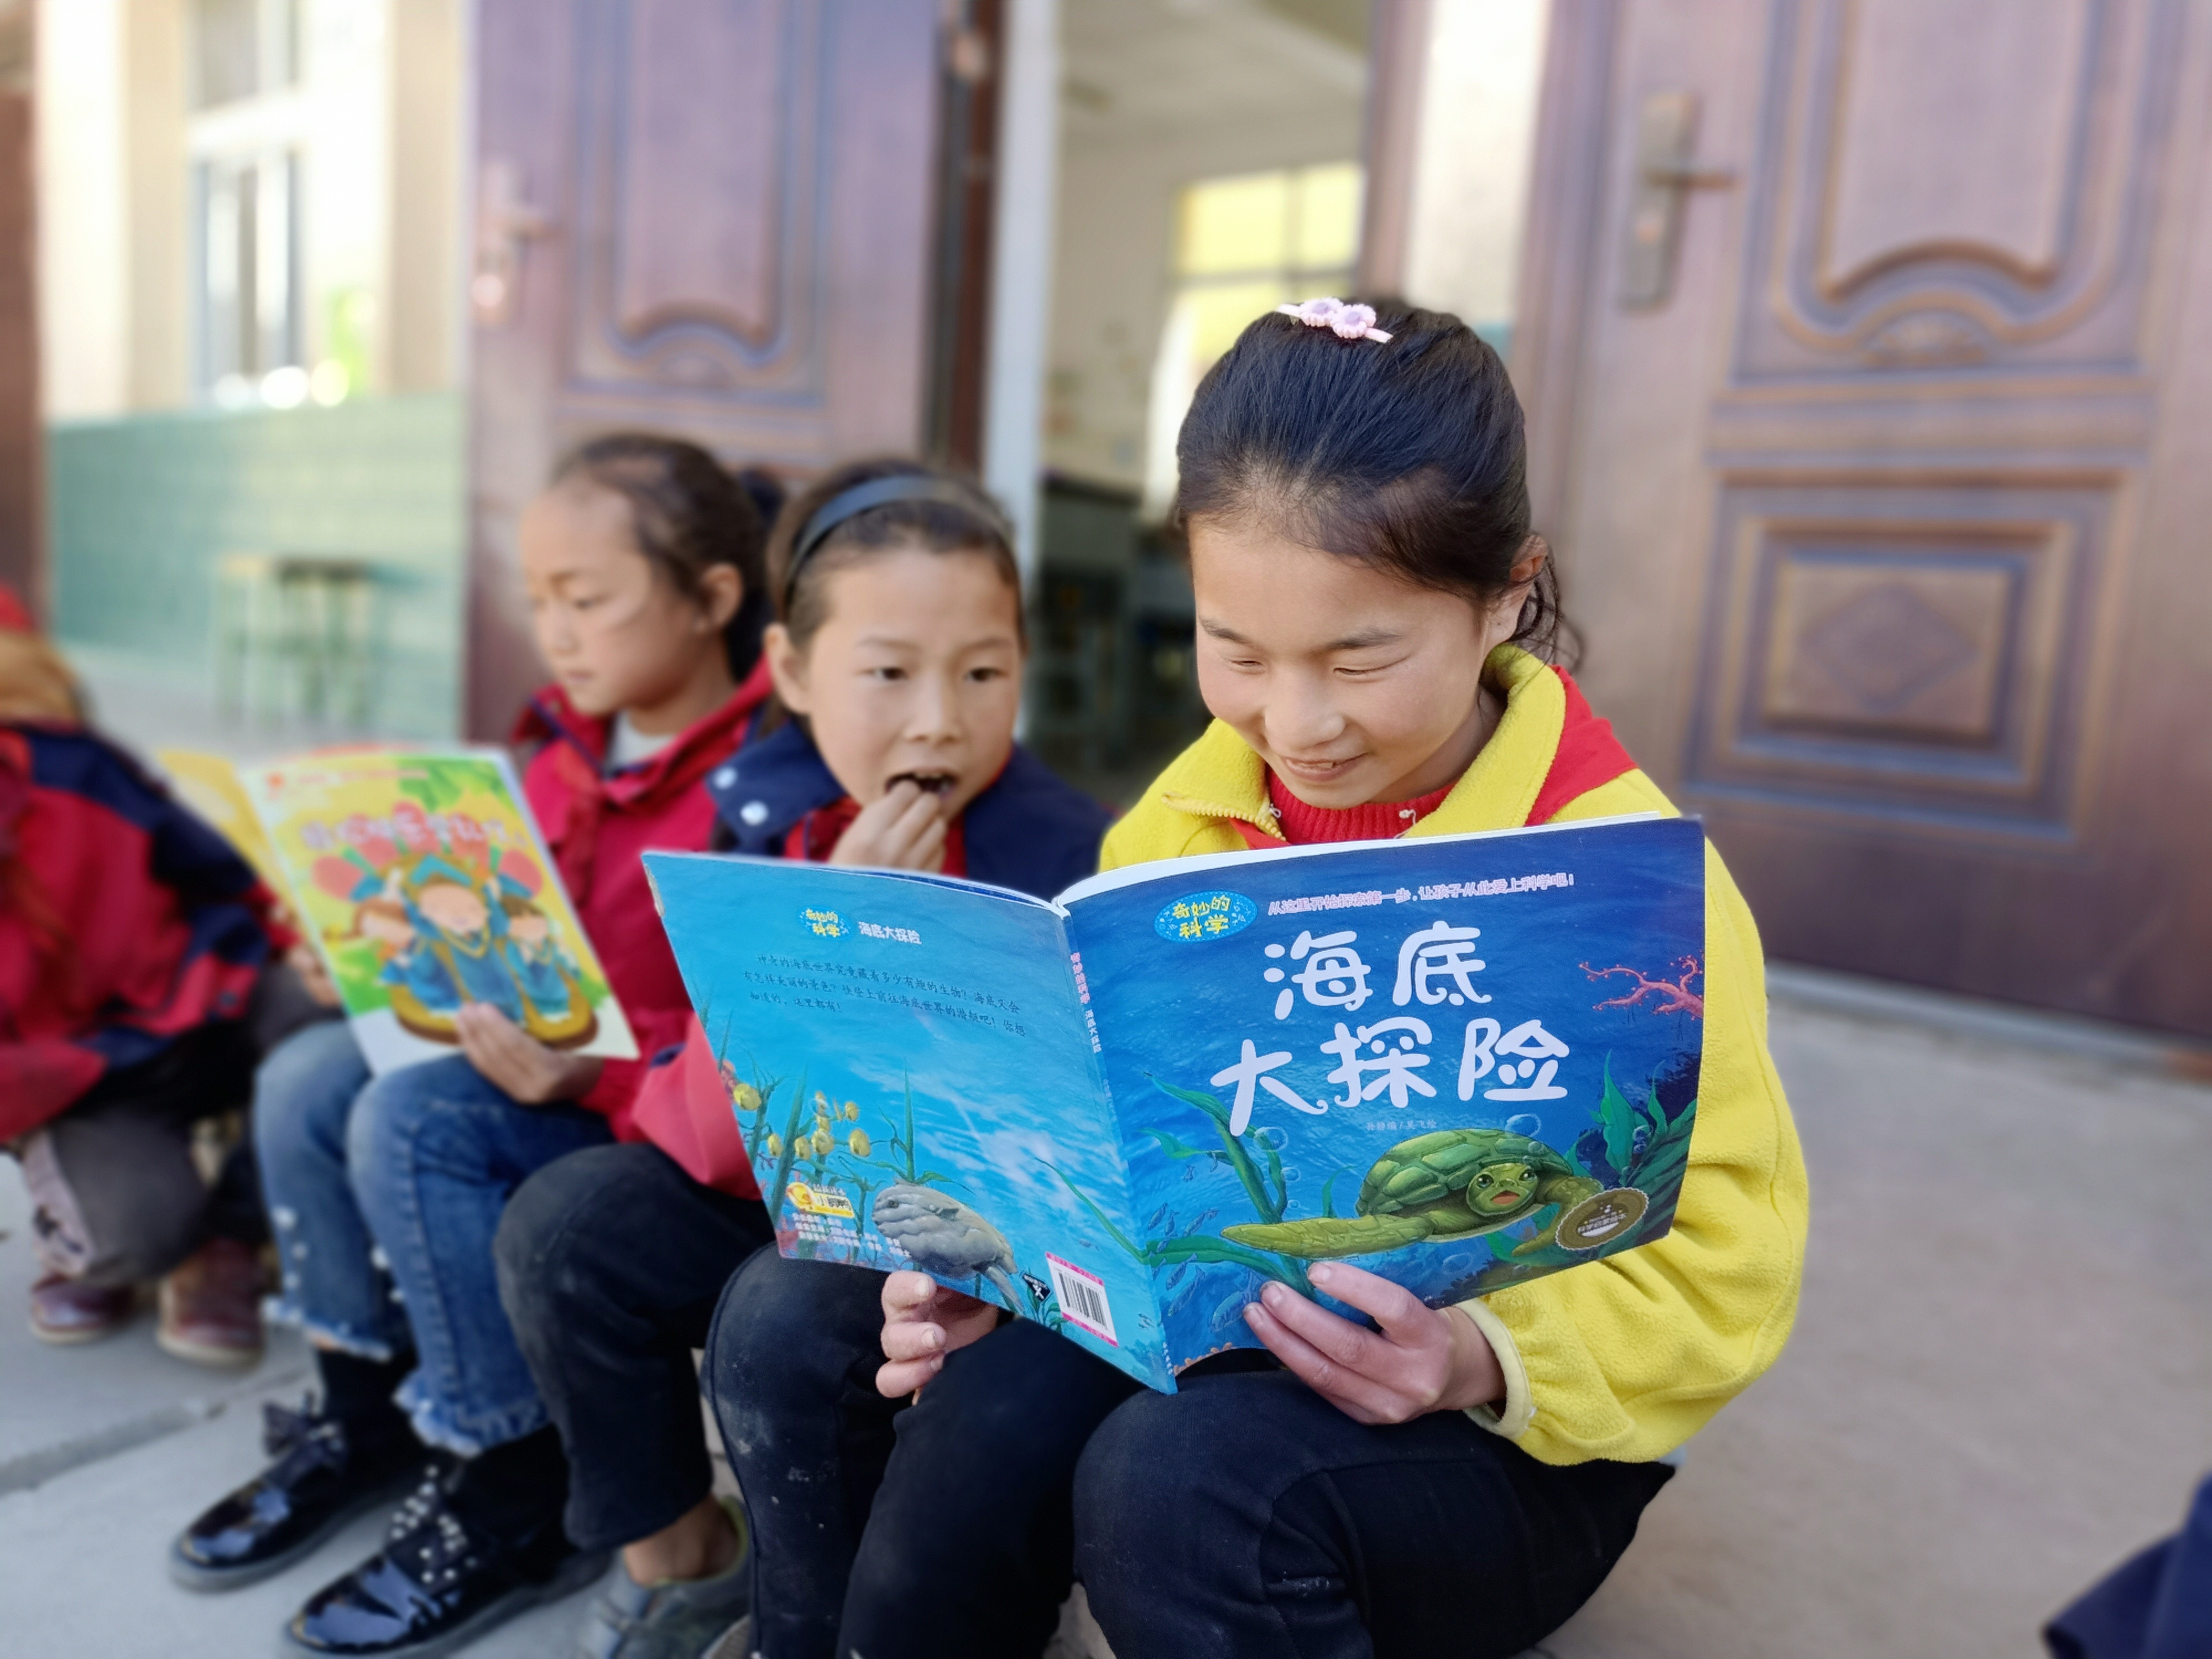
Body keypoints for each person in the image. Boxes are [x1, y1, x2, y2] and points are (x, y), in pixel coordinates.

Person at [706, 299, 1810, 1659]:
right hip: (1233, 1319)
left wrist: (1474, 1358)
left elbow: (1726, 1265)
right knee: (931, 1386)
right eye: (1234, 650)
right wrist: (1015, 1260)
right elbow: (1113, 1145)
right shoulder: (1175, 829)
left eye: (1360, 657)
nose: (1296, 724)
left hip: (1503, 1432)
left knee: (1177, 1486)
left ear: (1505, 593)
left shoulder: (1624, 886)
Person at [168, 435, 781, 1659]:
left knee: (410, 1120)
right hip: (527, 1061)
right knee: (302, 1078)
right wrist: (363, 955)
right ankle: (364, 1416)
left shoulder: (764, 786)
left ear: (712, 597)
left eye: (588, 599)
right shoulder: (556, 748)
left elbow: (757, 1040)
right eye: (539, 599)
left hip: (641, 1112)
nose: (557, 633)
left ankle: (514, 1477)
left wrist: (595, 1069)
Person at [489, 457, 1110, 1659]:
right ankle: (680, 1566)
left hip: (966, 1250)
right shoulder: (770, 819)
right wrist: (823, 930)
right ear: (788, 671)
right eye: (888, 673)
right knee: (569, 1226)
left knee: (783, 1322)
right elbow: (703, 1137)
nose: (938, 719)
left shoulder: (1065, 854)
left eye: (983, 673)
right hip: (789, 1178)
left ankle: (814, 1633)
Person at [0, 585, 324, 1365]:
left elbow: (221, 876)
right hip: (83, 1078)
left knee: (325, 1012)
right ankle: (98, 1233)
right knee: (129, 1239)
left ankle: (234, 1234)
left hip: (200, 1003)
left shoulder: (77, 769)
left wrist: (296, 943)